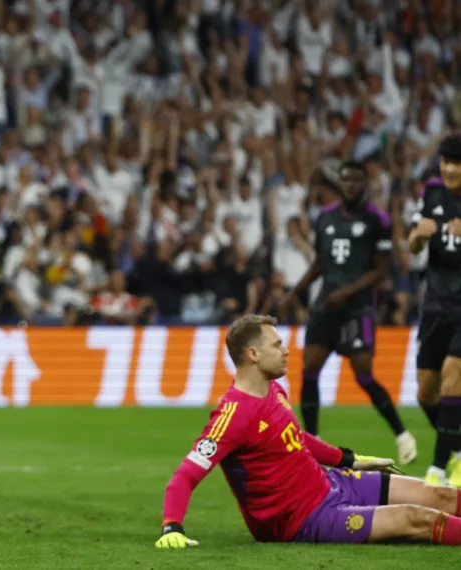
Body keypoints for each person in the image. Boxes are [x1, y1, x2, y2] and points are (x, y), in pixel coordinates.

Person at [156, 314, 461, 548]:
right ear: (253, 354)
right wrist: (172, 526)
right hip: (305, 518)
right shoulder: (232, 416)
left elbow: (295, 437)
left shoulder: (274, 388)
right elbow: (185, 476)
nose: (287, 351)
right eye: (277, 345)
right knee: (415, 517)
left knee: (436, 493)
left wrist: (346, 459)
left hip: (329, 483)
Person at [281, 161, 414, 464]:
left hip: (357, 307)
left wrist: (348, 292)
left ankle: (401, 433)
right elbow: (319, 264)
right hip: (326, 304)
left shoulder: (376, 220)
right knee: (309, 370)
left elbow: (380, 271)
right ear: (340, 184)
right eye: (346, 181)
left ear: (365, 183)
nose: (350, 186)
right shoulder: (325, 218)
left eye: (356, 181)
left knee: (363, 374)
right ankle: (310, 447)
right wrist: (295, 293)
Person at [408, 134, 461, 486]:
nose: (450, 169)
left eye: (456, 163)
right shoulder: (431, 192)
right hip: (435, 305)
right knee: (426, 392)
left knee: (452, 375)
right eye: (445, 162)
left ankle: (438, 468)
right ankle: (457, 449)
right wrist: (419, 236)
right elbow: (413, 248)